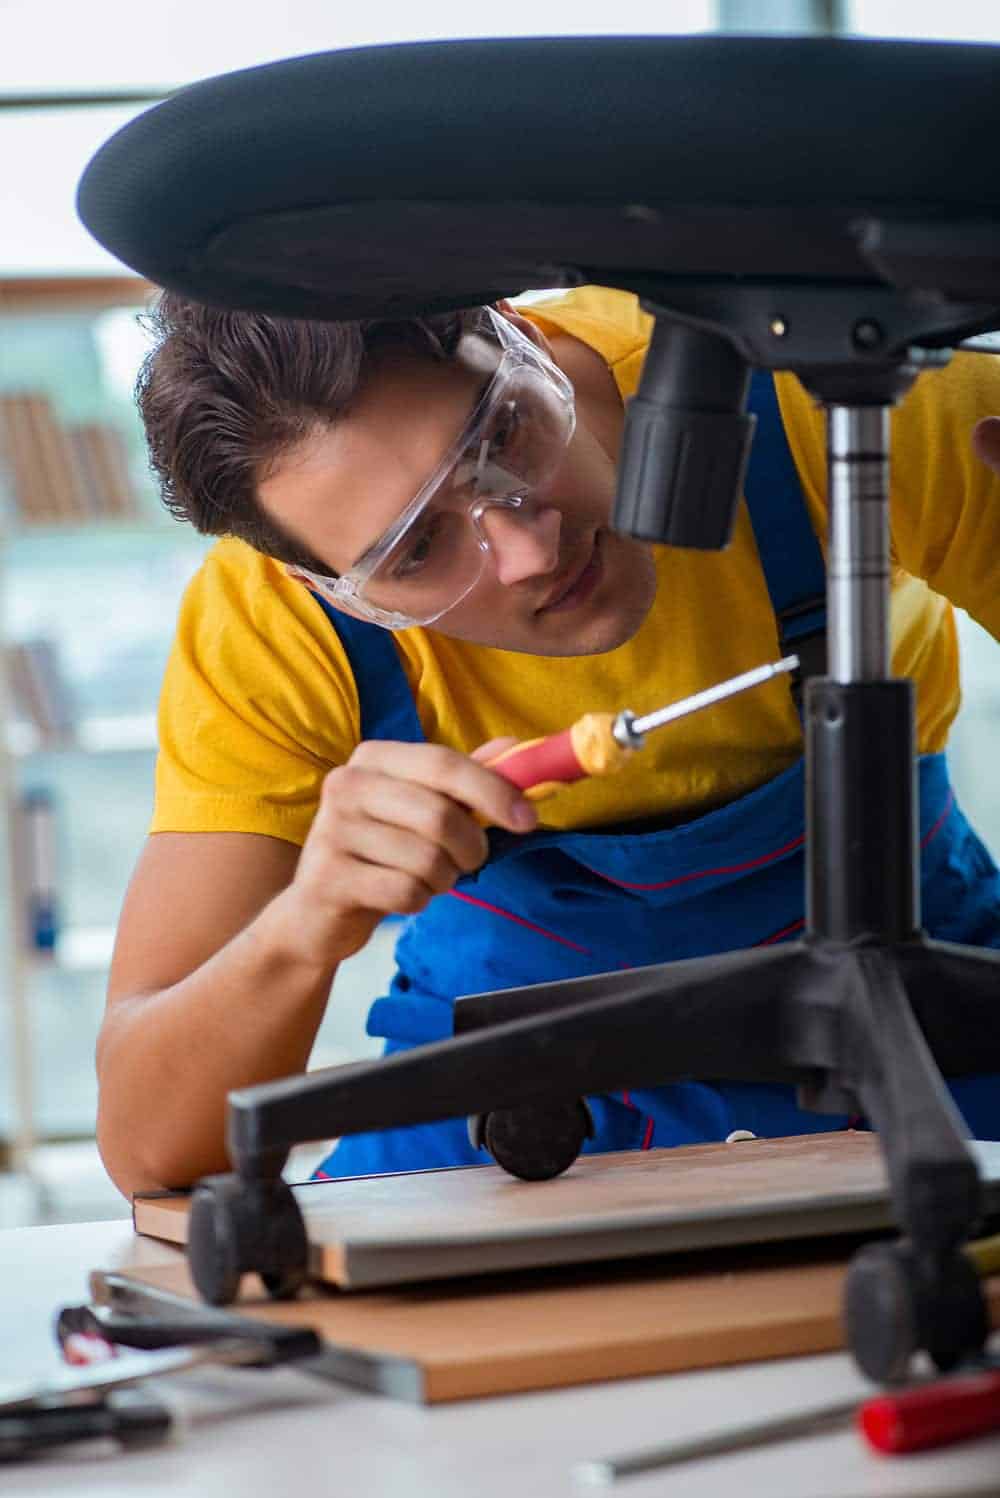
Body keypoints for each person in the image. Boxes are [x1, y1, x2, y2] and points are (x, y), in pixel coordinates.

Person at [96, 286, 1000, 1198]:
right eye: (416, 553)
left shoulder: (837, 398)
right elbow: (150, 1150)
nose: (528, 548)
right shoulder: (270, 630)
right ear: (328, 589)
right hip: (506, 1078)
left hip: (915, 1009)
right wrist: (300, 931)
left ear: (519, 336)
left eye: (502, 439)